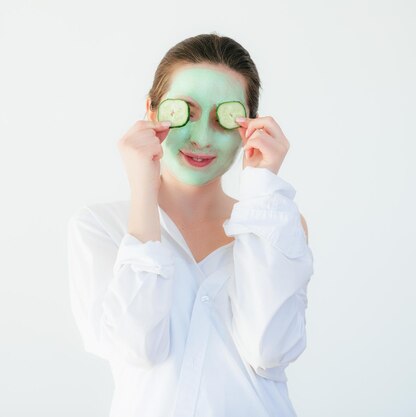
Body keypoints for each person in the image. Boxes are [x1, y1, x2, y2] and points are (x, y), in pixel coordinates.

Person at [66, 33, 314, 417]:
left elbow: (270, 349)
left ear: (247, 127)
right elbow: (137, 347)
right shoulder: (100, 226)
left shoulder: (278, 224)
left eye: (223, 118)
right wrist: (143, 190)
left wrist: (263, 188)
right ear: (152, 111)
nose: (201, 138)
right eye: (186, 111)